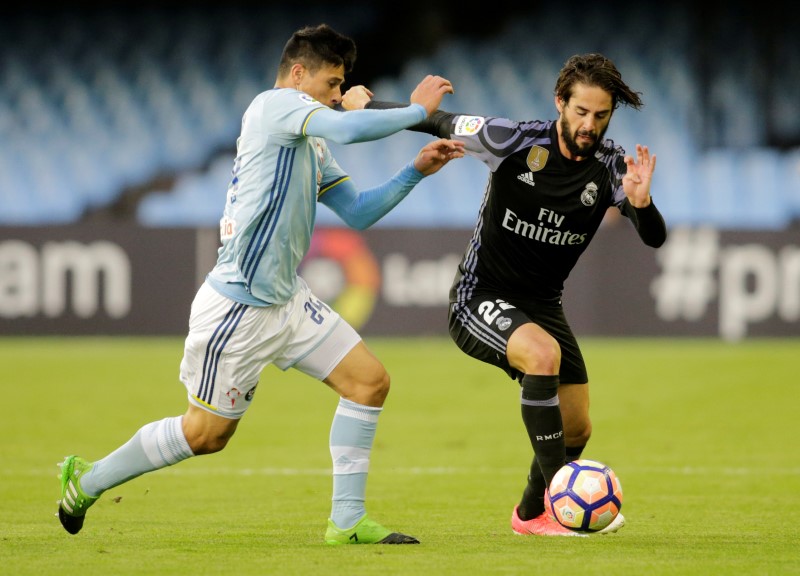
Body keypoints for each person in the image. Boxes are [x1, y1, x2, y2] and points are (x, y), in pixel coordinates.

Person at [56, 23, 464, 545]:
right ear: (299, 74)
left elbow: (358, 212)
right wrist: (416, 111)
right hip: (237, 308)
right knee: (205, 435)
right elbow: (348, 127)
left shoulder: (310, 138)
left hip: (286, 299)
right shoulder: (273, 107)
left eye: (342, 86)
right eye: (333, 82)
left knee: (369, 382)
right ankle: (87, 480)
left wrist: (414, 171)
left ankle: (347, 522)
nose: (338, 95)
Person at [352, 53, 667, 536]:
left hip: (542, 304)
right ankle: (561, 507)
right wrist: (365, 106)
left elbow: (654, 237)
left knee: (577, 428)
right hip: (480, 296)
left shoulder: (608, 166)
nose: (589, 125)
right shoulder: (512, 139)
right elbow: (435, 120)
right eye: (581, 112)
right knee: (542, 356)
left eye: (600, 115)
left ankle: (528, 515)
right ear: (560, 102)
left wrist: (642, 204)